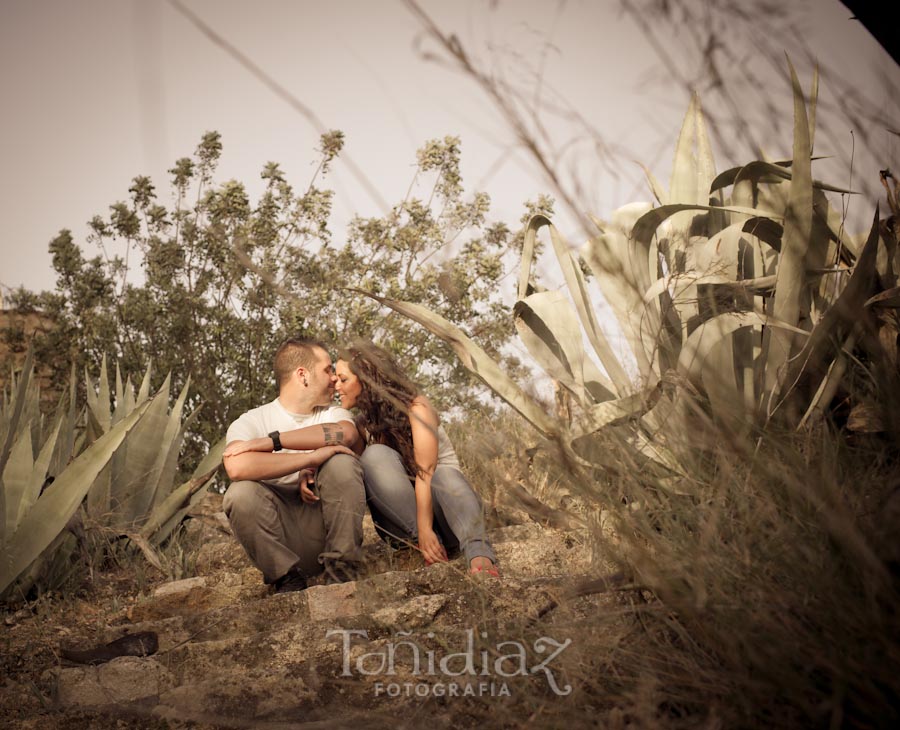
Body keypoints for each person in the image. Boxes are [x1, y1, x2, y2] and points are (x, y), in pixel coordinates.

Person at [336, 340, 498, 577]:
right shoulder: (362, 425)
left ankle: (479, 554)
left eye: (343, 379)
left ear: (368, 380)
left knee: (444, 474)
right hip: (405, 529)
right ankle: (430, 546)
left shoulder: (417, 407)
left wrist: (426, 529)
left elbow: (425, 473)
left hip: (449, 515)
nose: (337, 386)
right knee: (375, 455)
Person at [222, 338, 366, 593]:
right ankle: (286, 578)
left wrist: (273, 443)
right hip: (282, 534)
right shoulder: (251, 421)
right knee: (239, 493)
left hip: (325, 526)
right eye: (327, 369)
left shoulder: (332, 413)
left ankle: (342, 568)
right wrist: (309, 459)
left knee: (341, 462)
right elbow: (237, 466)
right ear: (303, 375)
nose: (334, 378)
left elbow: (347, 434)